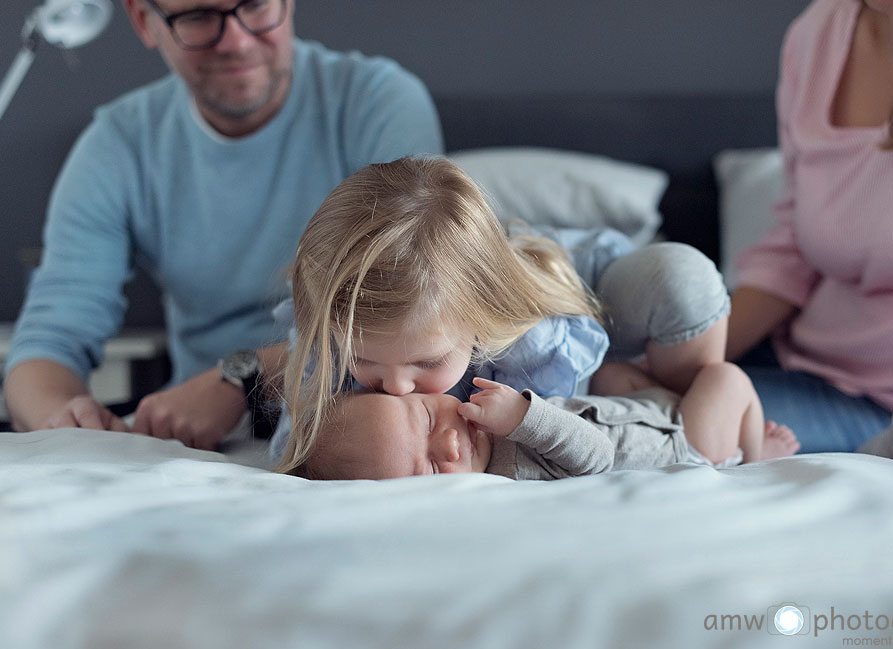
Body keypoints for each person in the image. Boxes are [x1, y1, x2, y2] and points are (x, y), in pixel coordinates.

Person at [2, 0, 443, 448]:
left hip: (354, 423)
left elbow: (417, 308)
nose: (235, 40)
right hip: (191, 443)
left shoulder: (377, 102)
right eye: (197, 17)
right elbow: (49, 337)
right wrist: (61, 420)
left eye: (254, 5)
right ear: (143, 21)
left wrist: (245, 377)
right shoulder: (117, 146)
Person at [271, 155, 732, 473]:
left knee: (680, 279)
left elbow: (569, 436)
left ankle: (688, 401)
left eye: (427, 362)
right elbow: (305, 447)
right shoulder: (332, 332)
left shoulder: (531, 338)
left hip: (578, 298)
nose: (394, 388)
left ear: (480, 317)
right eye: (366, 361)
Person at [726, 0, 893, 453]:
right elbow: (792, 250)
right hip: (803, 357)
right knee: (622, 384)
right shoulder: (818, 33)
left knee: (679, 428)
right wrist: (683, 362)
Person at [288, 374, 800, 481]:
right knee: (725, 378)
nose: (448, 442)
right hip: (678, 445)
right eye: (427, 468)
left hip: (639, 411)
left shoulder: (482, 416)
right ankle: (751, 463)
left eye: (426, 418)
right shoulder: (508, 475)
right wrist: (524, 417)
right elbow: (596, 457)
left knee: (614, 373)